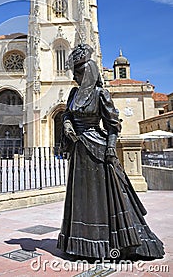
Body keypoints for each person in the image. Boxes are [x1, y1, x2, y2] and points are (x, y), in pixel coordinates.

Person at [57, 44, 164, 260]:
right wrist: (67, 126)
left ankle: (105, 244)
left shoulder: (100, 94)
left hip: (97, 150)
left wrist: (110, 150)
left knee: (100, 199)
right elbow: (67, 115)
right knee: (81, 199)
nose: (75, 76)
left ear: (89, 72)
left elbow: (113, 126)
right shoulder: (73, 94)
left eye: (79, 71)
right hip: (79, 151)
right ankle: (80, 245)